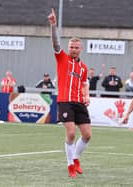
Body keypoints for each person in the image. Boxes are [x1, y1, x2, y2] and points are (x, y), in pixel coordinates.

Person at [48, 8, 91, 178]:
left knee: (87, 135)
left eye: (76, 47)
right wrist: (53, 26)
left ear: (81, 49)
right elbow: (55, 44)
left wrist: (86, 95)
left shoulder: (83, 67)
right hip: (65, 100)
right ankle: (70, 165)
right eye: (71, 47)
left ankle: (76, 157)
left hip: (79, 102)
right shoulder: (62, 58)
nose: (73, 49)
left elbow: (84, 84)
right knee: (71, 133)